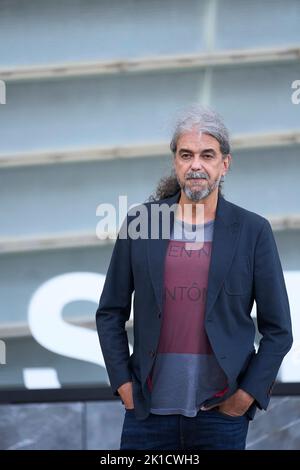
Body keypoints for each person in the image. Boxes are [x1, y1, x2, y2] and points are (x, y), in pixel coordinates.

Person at [95, 106, 293, 450]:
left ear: (224, 164)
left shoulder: (252, 230)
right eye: (186, 155)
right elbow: (110, 312)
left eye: (207, 155)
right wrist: (124, 385)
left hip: (221, 414)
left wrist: (245, 396)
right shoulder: (141, 223)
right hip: (147, 413)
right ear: (175, 162)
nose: (196, 165)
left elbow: (279, 330)